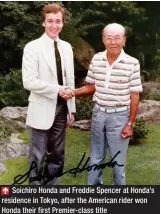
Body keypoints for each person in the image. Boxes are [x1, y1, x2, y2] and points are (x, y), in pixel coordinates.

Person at [72, 23, 143, 185]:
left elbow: (135, 95)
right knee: (96, 158)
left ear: (124, 40)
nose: (113, 42)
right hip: (98, 115)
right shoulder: (96, 59)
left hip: (120, 117)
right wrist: (73, 92)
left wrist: (130, 123)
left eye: (117, 38)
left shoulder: (132, 63)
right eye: (109, 38)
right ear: (103, 40)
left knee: (118, 163)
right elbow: (91, 86)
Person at [22, 3, 75, 185]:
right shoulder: (32, 47)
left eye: (58, 21)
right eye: (50, 21)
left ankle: (52, 190)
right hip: (41, 108)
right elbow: (29, 81)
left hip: (62, 108)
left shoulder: (67, 47)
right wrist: (57, 89)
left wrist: (72, 109)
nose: (54, 25)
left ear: (63, 23)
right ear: (43, 23)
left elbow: (70, 80)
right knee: (38, 155)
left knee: (58, 153)